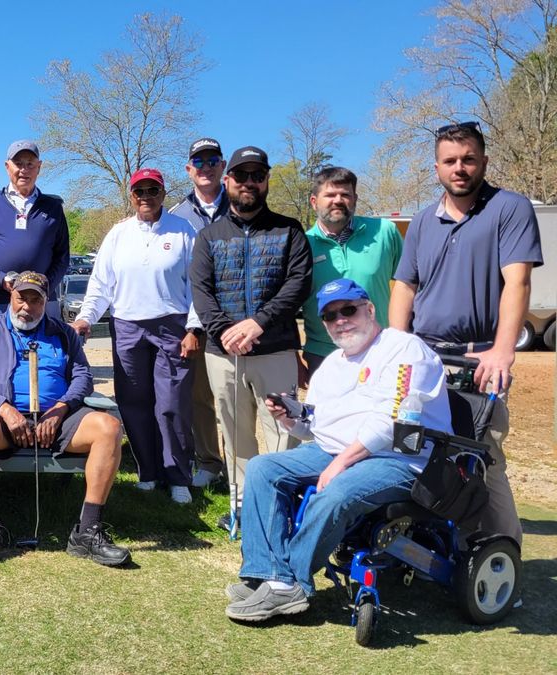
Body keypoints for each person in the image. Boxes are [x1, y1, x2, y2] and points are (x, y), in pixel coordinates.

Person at [224, 279, 452, 622]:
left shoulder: (405, 350)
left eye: (349, 309)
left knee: (337, 490)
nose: (341, 320)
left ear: (370, 309)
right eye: (330, 316)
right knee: (262, 468)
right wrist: (290, 419)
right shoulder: (331, 364)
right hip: (335, 451)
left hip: (398, 459)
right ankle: (264, 572)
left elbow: (395, 421)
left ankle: (288, 585)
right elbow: (314, 427)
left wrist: (341, 464)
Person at [389, 121, 543, 548]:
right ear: (436, 167)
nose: (460, 168)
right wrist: (396, 345)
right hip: (424, 357)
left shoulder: (508, 209)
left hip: (478, 360)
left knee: (482, 458)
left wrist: (501, 351)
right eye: (450, 161)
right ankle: (432, 545)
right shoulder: (422, 220)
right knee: (412, 448)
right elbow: (405, 286)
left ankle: (499, 558)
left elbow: (518, 283)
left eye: (468, 159)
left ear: (484, 162)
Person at [0, 271, 131, 567]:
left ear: (46, 302)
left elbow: (82, 376)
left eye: (35, 300)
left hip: (58, 418)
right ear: (10, 297)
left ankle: (87, 532)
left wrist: (61, 408)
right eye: (21, 298)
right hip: (4, 420)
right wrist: (5, 409)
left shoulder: (63, 333)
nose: (27, 306)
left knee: (109, 427)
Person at [190, 146, 313, 532]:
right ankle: (242, 507)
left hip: (274, 349)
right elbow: (201, 291)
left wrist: (257, 324)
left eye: (256, 175)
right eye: (240, 176)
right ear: (227, 182)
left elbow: (298, 284)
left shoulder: (289, 229)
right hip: (223, 353)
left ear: (266, 181)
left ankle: (279, 507)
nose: (248, 183)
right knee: (236, 433)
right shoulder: (209, 237)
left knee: (284, 431)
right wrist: (226, 331)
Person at [71, 168, 202, 504]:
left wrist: (192, 328)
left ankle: (177, 475)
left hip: (171, 324)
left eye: (153, 190)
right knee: (133, 402)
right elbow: (101, 285)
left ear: (163, 192)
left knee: (171, 403)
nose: (146, 197)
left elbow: (198, 287)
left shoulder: (183, 230)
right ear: (131, 196)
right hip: (127, 325)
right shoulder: (118, 234)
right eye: (139, 191)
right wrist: (86, 318)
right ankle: (148, 470)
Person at [301, 167, 402, 376]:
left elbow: (408, 286)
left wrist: (404, 338)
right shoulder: (301, 244)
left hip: (381, 350)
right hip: (323, 355)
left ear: (354, 199)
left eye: (345, 194)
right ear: (314, 201)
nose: (338, 200)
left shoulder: (385, 232)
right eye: (329, 195)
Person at [170, 137, 230, 488]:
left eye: (212, 160)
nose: (206, 167)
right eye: (199, 161)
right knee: (201, 397)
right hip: (196, 320)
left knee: (241, 397)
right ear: (188, 169)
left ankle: (249, 465)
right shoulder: (177, 215)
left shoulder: (241, 206)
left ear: (222, 166)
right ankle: (209, 462)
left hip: (239, 316)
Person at [0, 140, 69, 320]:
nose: (24, 170)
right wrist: (1, 279)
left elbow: (62, 256)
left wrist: (45, 285)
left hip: (42, 303)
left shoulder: (53, 208)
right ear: (7, 166)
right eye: (18, 164)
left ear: (39, 167)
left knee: (43, 349)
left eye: (30, 164)